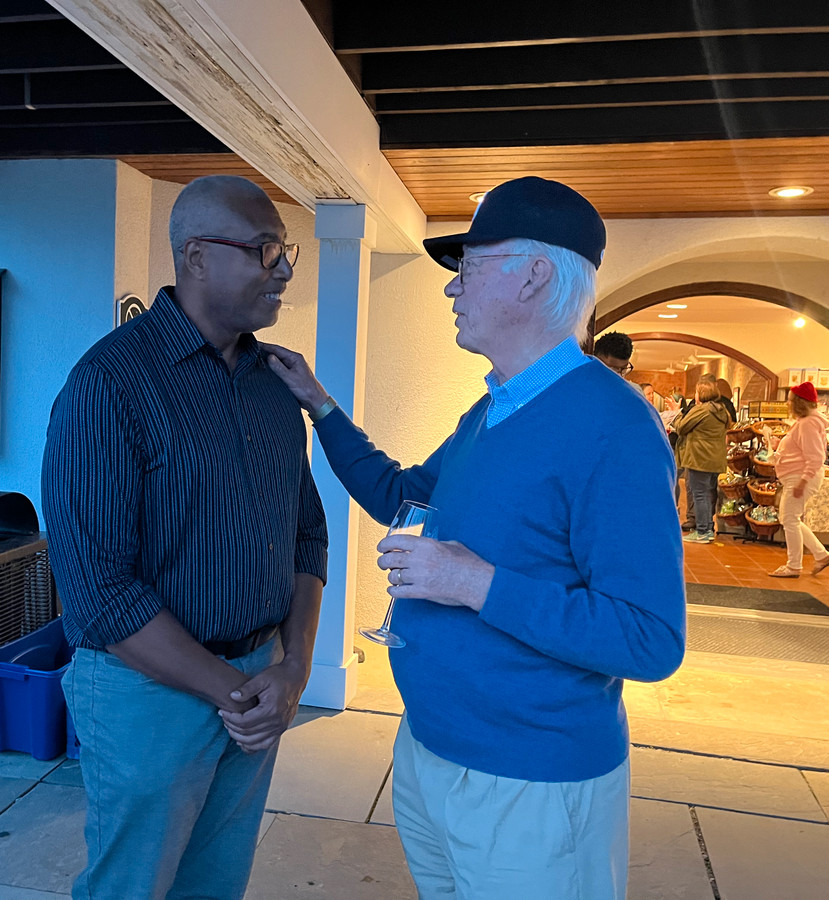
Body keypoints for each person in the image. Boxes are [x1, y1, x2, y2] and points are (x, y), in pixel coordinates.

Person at [266, 176, 685, 898]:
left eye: (468, 266)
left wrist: (472, 582)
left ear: (534, 275)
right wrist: (320, 406)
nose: (452, 289)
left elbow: (649, 639)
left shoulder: (614, 426)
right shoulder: (494, 408)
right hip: (432, 749)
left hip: (531, 783)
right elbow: (403, 495)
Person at [41, 175, 328, 900]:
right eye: (266, 251)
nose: (285, 270)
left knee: (214, 883)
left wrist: (292, 669)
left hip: (257, 681)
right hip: (149, 695)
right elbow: (98, 594)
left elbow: (305, 535)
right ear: (196, 256)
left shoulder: (272, 383)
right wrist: (236, 692)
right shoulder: (109, 384)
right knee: (132, 888)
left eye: (284, 251)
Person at [759, 382, 829, 578]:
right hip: (797, 476)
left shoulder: (808, 423)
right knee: (790, 518)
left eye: (790, 400)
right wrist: (777, 444)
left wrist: (802, 482)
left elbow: (815, 457)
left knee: (790, 520)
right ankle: (821, 555)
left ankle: (794, 566)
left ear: (799, 403)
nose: (788, 404)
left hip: (799, 477)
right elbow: (802, 450)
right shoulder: (808, 422)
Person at [673, 380, 731, 543]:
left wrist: (677, 414)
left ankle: (703, 531)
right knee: (708, 494)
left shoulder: (702, 410)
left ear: (702, 394)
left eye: (697, 392)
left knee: (700, 495)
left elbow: (682, 427)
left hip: (700, 458)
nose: (695, 396)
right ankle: (708, 528)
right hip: (715, 459)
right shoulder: (722, 411)